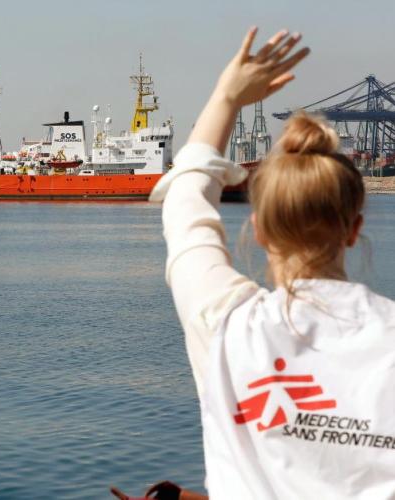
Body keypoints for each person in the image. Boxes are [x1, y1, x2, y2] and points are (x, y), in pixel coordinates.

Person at [150, 28, 395, 498]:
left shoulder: (226, 326)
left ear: (259, 229)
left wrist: (227, 96)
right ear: (354, 229)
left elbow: (184, 201)